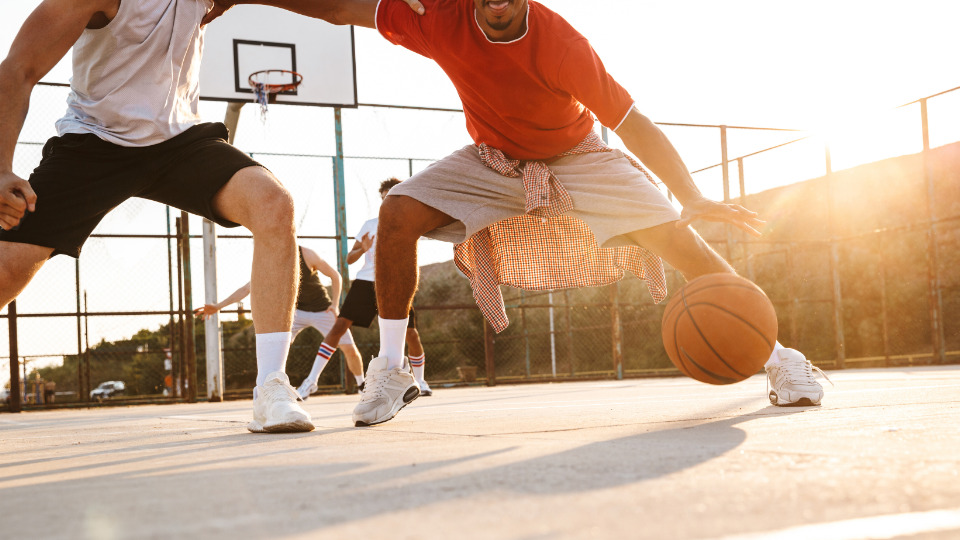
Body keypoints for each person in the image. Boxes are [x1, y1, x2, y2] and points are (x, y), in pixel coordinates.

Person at [205, 0, 827, 426]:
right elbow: (342, 6)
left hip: (579, 155)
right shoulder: (439, 19)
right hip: (493, 159)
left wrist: (688, 194)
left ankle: (781, 358)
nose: (496, 5)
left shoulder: (560, 43)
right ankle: (392, 373)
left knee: (682, 242)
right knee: (397, 214)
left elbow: (631, 122)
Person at [0, 0, 423, 433]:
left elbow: (329, 6)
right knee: (8, 268)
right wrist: (1, 168)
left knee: (273, 204)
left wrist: (393, 7)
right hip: (95, 142)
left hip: (180, 141)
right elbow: (18, 68)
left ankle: (271, 389)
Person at [293, 178, 433, 410]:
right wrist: (363, 248)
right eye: (384, 198)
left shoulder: (409, 222)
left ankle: (420, 381)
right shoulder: (370, 224)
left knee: (411, 335)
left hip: (395, 283)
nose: (387, 201)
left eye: (392, 196)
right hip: (366, 282)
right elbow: (349, 259)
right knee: (339, 327)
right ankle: (310, 382)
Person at [195, 245, 368, 395]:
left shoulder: (307, 254)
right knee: (277, 347)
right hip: (296, 312)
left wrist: (335, 304)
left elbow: (335, 275)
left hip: (322, 309)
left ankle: (361, 385)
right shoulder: (272, 261)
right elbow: (248, 288)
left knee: (350, 349)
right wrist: (218, 306)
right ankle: (276, 388)